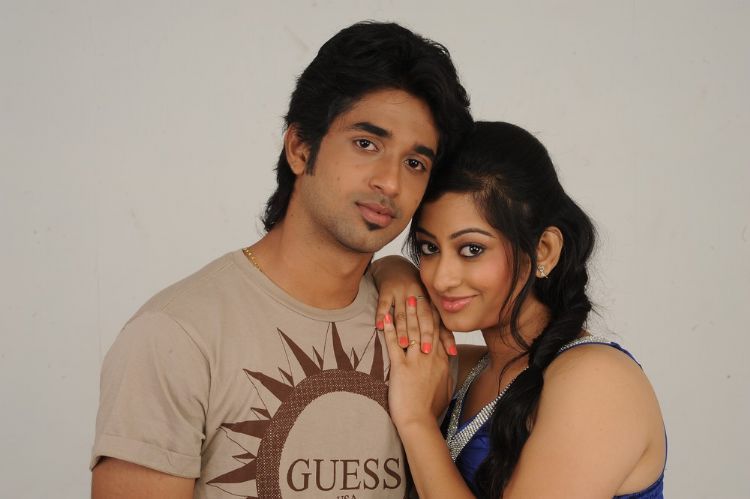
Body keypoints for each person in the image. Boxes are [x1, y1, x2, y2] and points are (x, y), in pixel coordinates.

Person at [90, 21, 471, 498]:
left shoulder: (416, 330)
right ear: (300, 147)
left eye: (415, 163)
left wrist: (399, 270)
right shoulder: (175, 335)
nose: (390, 182)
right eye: (366, 143)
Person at [375, 121, 666, 498]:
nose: (442, 278)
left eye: (472, 249)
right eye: (429, 249)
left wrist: (417, 422)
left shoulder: (598, 381)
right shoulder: (463, 369)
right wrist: (393, 269)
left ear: (543, 250)